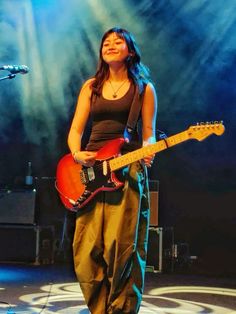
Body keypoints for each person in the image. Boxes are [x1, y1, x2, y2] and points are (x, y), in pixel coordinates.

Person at [67, 27, 157, 314]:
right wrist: (77, 154)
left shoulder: (143, 89)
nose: (110, 45)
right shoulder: (90, 87)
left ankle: (120, 311)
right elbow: (76, 131)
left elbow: (148, 132)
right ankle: (99, 309)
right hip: (92, 172)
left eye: (118, 42)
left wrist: (150, 148)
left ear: (130, 51)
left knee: (122, 249)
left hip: (126, 169)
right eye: (106, 42)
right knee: (85, 251)